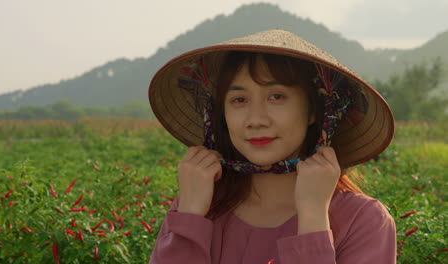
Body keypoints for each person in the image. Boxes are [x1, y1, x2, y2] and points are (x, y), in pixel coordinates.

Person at [147, 29, 397, 264]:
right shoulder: (198, 204)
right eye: (239, 99)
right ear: (221, 114)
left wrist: (312, 216)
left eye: (276, 96)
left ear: (313, 110)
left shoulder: (364, 220)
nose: (256, 120)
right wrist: (190, 215)